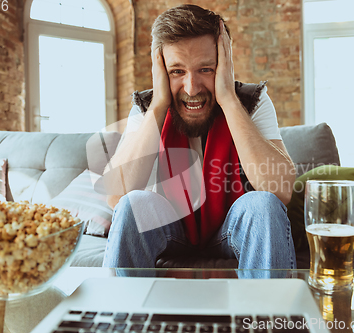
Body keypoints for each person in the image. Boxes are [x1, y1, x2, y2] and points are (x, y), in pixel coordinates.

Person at [102, 4, 297, 270]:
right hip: (170, 228)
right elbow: (116, 196)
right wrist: (159, 105)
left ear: (224, 65)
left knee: (262, 204)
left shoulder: (251, 101)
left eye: (206, 69)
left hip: (231, 228)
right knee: (133, 204)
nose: (191, 88)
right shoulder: (148, 106)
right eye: (177, 71)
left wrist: (228, 98)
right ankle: (121, 311)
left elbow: (280, 190)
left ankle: (267, 313)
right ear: (160, 71)